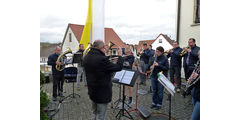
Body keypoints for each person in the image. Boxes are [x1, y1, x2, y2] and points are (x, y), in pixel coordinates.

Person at [83, 40, 123, 120]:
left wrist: (110, 62)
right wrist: (120, 56)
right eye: (104, 47)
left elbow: (101, 69)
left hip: (92, 90)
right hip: (102, 92)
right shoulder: (102, 59)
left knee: (94, 112)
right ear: (101, 48)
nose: (105, 49)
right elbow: (119, 67)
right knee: (101, 115)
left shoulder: (86, 56)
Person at [189, 51, 200, 120]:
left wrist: (197, 76)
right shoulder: (199, 65)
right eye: (198, 55)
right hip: (195, 93)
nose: (198, 56)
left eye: (200, 55)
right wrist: (191, 79)